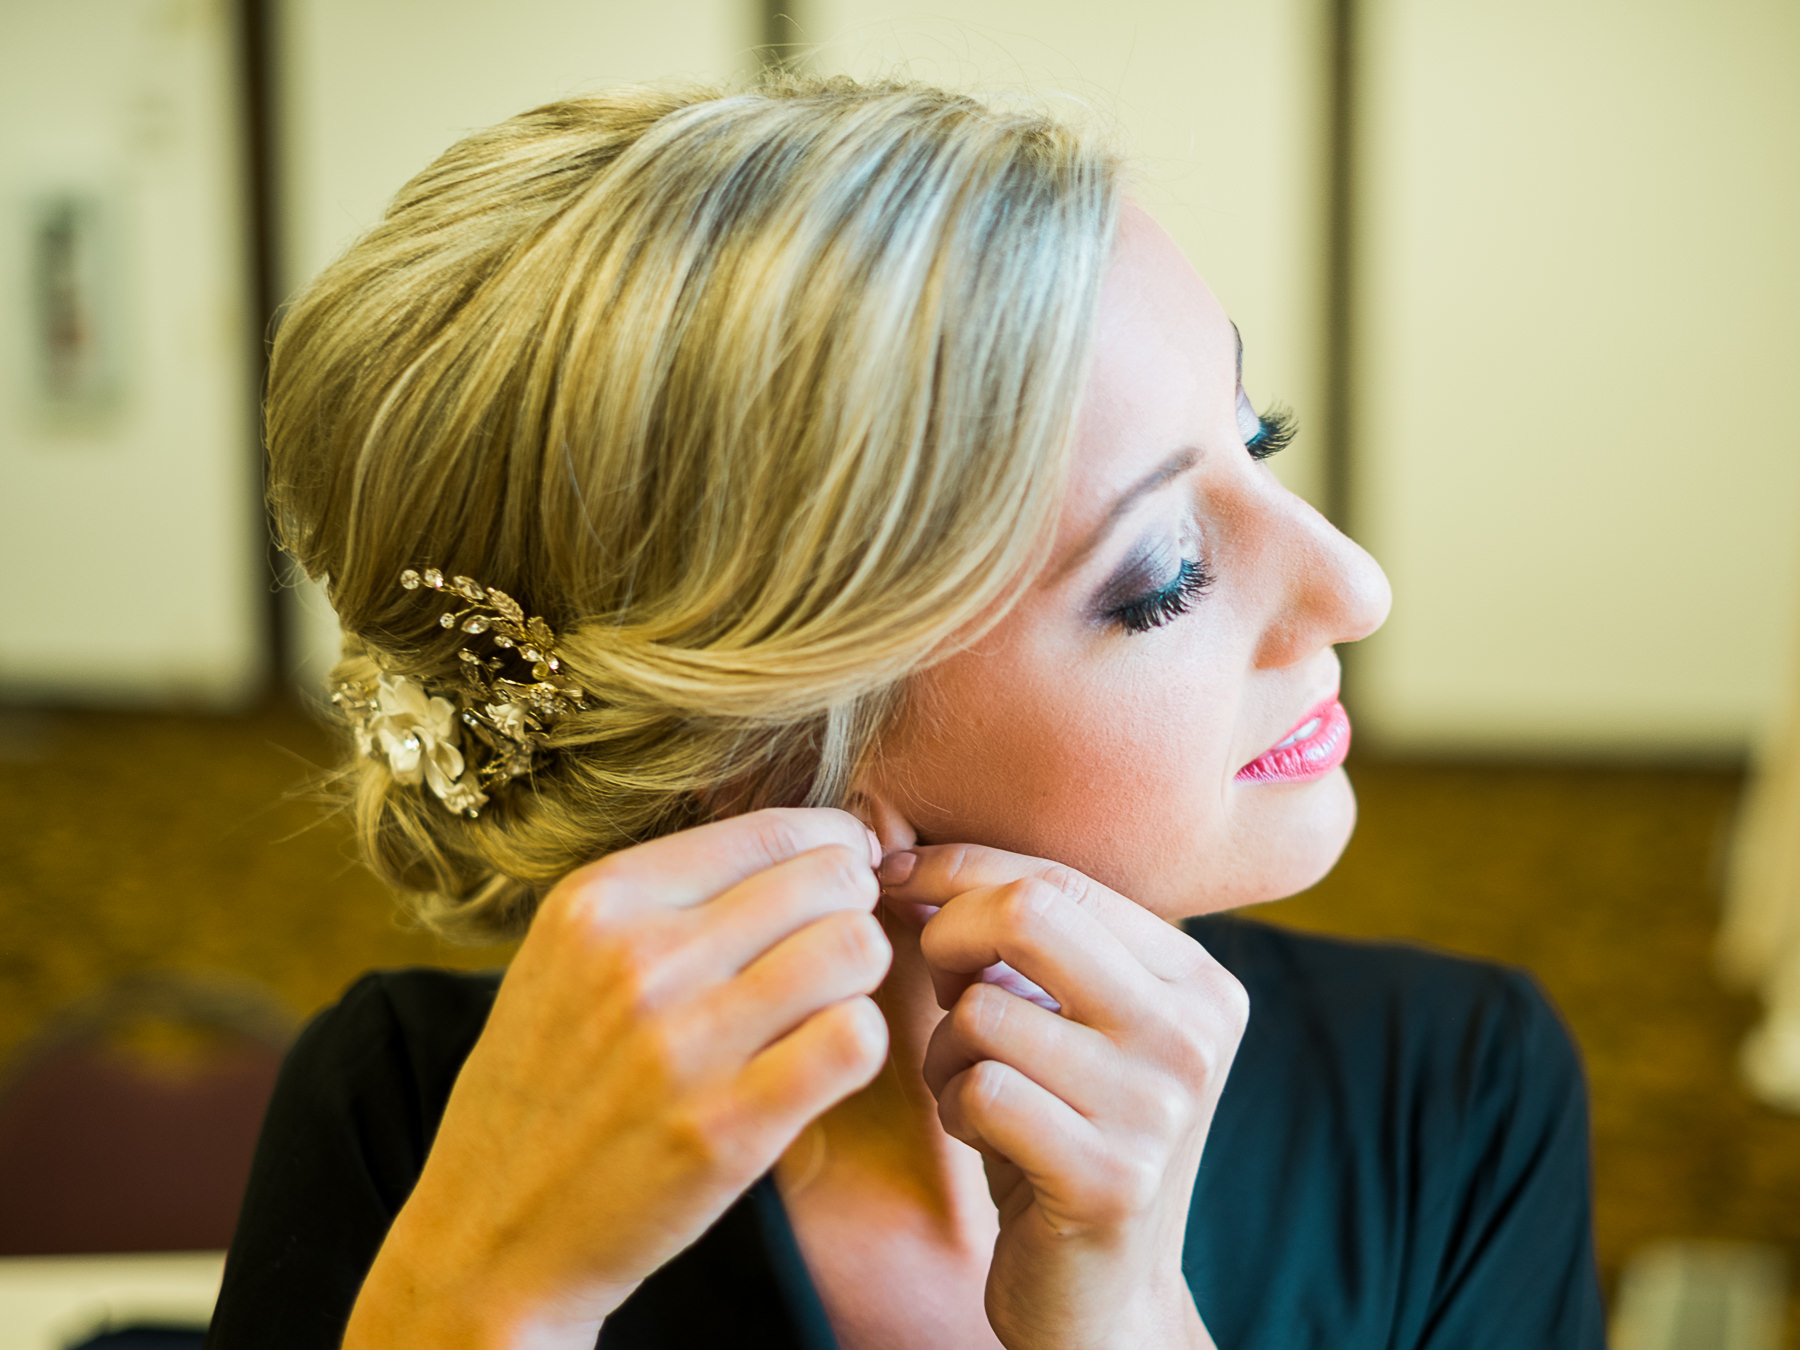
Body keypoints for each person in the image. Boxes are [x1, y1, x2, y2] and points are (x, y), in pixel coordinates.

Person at [207, 75, 1606, 1349]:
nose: (1354, 586)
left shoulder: (1455, 1091)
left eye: (1258, 437)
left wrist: (1128, 1318)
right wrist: (484, 1301)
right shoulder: (411, 1125)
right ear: (781, 763)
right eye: (1162, 575)